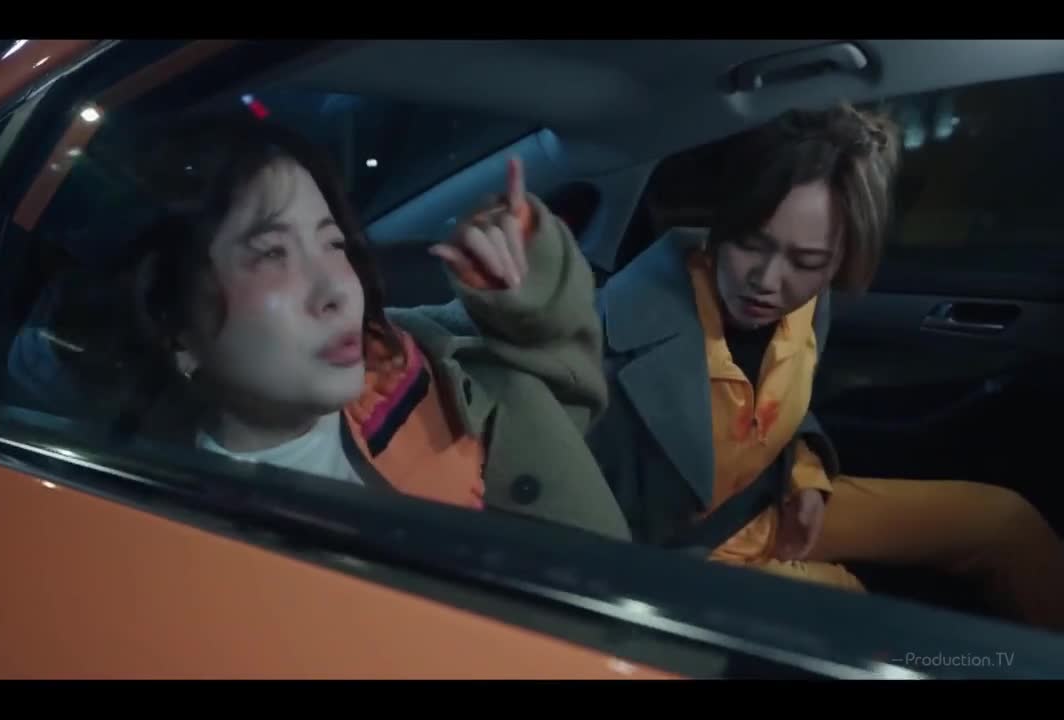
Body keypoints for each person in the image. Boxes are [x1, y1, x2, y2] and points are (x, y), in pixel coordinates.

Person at [589, 102, 1064, 632]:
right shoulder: (608, 337)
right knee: (875, 632)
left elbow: (780, 406)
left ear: (841, 259)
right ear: (723, 222)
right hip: (689, 558)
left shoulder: (810, 305)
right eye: (751, 244)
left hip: (772, 503)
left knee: (1002, 522)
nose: (768, 281)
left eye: (807, 261)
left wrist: (806, 476)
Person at [107, 113, 631, 540]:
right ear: (177, 329)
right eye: (272, 254)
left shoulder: (415, 360)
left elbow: (565, 403)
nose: (337, 289)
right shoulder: (173, 523)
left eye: (333, 243)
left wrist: (525, 280)